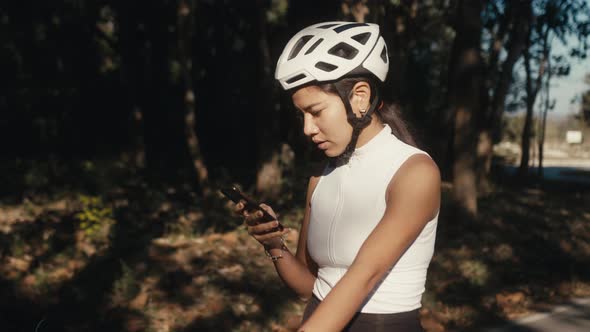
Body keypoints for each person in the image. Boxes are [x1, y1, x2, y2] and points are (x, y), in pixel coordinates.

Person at [234, 21, 440, 331]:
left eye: (315, 111)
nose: (307, 128)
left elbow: (364, 275)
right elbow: (310, 287)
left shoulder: (414, 172)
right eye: (301, 115)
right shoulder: (320, 176)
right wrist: (275, 245)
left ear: (359, 96)